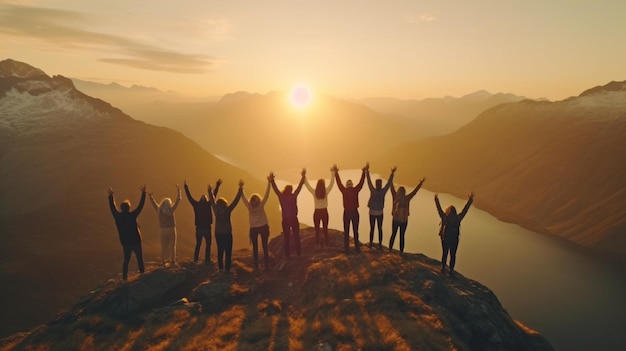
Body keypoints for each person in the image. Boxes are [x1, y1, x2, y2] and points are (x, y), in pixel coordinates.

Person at [108, 185, 147, 281]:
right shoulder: (132, 215)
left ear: (121, 208)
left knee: (126, 260)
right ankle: (142, 274)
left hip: (125, 243)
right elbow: (140, 206)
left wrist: (111, 196)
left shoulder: (117, 216)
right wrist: (143, 193)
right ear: (129, 208)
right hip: (136, 241)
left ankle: (124, 278)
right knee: (139, 259)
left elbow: (112, 208)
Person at [435, 192, 474, 276]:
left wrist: (436, 199)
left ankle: (443, 267)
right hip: (454, 239)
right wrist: (470, 200)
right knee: (453, 254)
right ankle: (451, 270)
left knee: (445, 253)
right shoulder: (458, 218)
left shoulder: (445, 217)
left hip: (445, 238)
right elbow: (465, 210)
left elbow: (439, 209)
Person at [269, 170, 305, 258]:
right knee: (296, 237)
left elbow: (276, 190)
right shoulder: (293, 196)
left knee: (287, 238)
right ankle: (299, 254)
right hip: (294, 219)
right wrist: (303, 177)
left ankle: (287, 255)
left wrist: (272, 180)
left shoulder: (281, 197)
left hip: (285, 220)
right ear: (291, 190)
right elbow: (299, 188)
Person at [184, 179, 221, 263]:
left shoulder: (196, 205)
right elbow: (213, 196)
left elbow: (189, 197)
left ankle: (195, 259)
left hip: (199, 228)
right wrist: (217, 185)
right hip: (207, 228)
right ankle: (207, 260)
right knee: (208, 245)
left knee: (198, 244)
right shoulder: (208, 204)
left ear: (200, 199)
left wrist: (186, 187)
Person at [209, 180, 243, 272]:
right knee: (228, 251)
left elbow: (212, 200)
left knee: (220, 251)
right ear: (225, 203)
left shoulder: (216, 210)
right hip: (227, 233)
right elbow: (235, 201)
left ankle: (220, 269)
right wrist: (240, 189)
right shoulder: (228, 209)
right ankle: (227, 269)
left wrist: (210, 191)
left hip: (218, 234)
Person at [333, 164, 366, 253]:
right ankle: (357, 248)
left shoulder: (344, 191)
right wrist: (364, 172)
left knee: (346, 232)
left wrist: (336, 173)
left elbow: (339, 183)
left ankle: (347, 250)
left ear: (347, 185)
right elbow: (361, 183)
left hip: (346, 213)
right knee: (356, 231)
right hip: (355, 212)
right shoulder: (355, 190)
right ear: (352, 185)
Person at [389, 178, 426, 254]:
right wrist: (420, 184)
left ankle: (391, 250)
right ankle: (400, 252)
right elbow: (414, 192)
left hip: (396, 220)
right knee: (401, 236)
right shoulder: (406, 198)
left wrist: (392, 175)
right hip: (403, 221)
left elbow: (391, 186)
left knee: (394, 234)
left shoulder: (396, 197)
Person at [241, 179, 272, 270]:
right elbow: (267, 195)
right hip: (263, 227)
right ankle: (266, 266)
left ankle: (256, 266)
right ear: (258, 199)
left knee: (255, 248)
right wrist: (269, 183)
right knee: (265, 247)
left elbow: (243, 198)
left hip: (254, 229)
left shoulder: (249, 206)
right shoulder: (261, 205)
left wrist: (241, 189)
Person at [149, 185, 182, 265]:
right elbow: (178, 201)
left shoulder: (159, 210)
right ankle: (172, 260)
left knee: (163, 246)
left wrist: (151, 197)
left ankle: (163, 260)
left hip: (162, 230)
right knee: (172, 244)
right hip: (171, 228)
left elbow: (154, 204)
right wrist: (179, 191)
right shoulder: (171, 210)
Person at [365, 164, 396, 249]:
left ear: (376, 184)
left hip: (372, 212)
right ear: (381, 184)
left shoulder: (373, 190)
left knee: (372, 228)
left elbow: (368, 182)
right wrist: (392, 173)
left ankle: (371, 243)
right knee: (380, 228)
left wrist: (367, 171)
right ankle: (380, 244)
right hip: (380, 213)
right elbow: (389, 183)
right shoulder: (383, 191)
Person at [303, 168, 335, 248]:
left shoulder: (314, 192)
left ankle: (317, 244)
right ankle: (326, 244)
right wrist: (333, 173)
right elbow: (332, 183)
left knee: (317, 230)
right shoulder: (326, 191)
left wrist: (304, 176)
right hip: (324, 212)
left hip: (317, 212)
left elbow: (307, 186)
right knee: (325, 229)